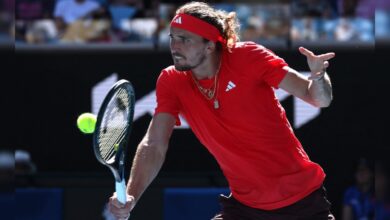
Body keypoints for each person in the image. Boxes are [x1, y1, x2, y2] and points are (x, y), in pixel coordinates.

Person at [108, 2, 336, 220]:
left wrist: (317, 76)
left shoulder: (249, 57)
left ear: (209, 45)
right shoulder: (171, 80)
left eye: (184, 39)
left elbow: (318, 98)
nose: (175, 47)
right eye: (172, 38)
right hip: (244, 208)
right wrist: (132, 195)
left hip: (301, 203)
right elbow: (154, 144)